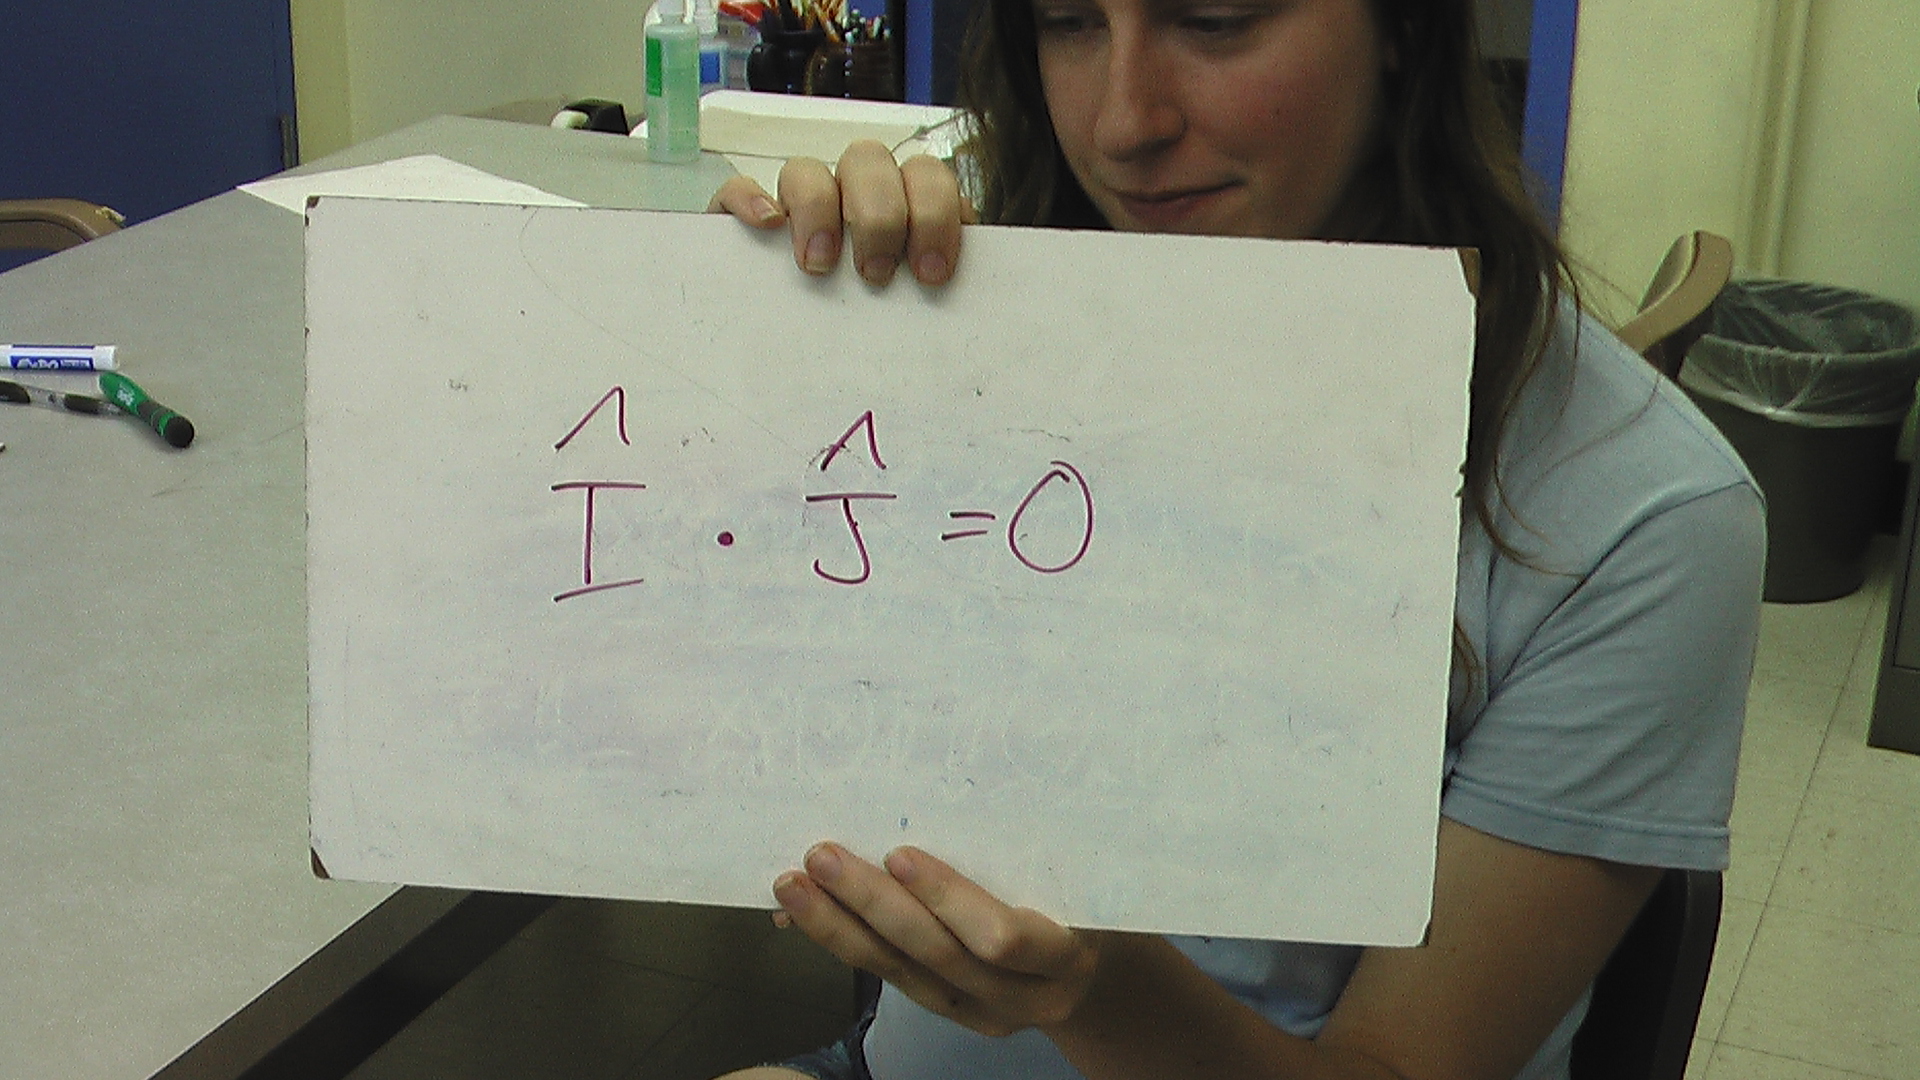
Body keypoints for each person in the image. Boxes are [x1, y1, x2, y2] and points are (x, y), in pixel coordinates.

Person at [706, 0, 1766, 1076]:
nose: (1123, 122)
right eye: (1069, 22)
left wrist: (1094, 990)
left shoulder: (1640, 519)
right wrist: (757, 354)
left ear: (1403, 28)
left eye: (1214, 19)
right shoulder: (1011, 296)